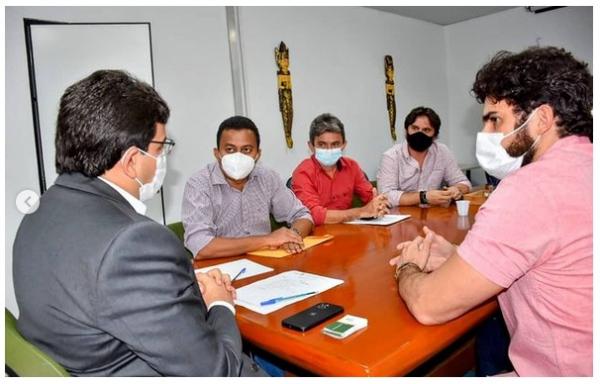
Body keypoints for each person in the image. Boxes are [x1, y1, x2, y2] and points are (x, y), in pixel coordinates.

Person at [12, 70, 265, 376]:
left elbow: (106, 292)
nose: (163, 159)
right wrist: (220, 304)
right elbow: (216, 371)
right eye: (160, 148)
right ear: (132, 160)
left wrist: (178, 286)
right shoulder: (133, 242)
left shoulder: (40, 213)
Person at [390, 46, 592, 376]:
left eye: (495, 120)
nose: (485, 135)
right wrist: (458, 255)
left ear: (541, 119)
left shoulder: (530, 188)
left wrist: (407, 268)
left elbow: (428, 305)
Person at [183, 116, 313, 259]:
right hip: (220, 270)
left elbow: (302, 215)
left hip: (266, 262)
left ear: (257, 154)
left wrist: (292, 236)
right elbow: (200, 246)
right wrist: (268, 240)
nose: (238, 157)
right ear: (217, 153)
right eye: (230, 149)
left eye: (246, 150)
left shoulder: (267, 177)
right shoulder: (199, 184)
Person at [291, 113, 389, 225]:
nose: (329, 149)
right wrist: (361, 212)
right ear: (311, 146)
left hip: (348, 231)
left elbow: (371, 196)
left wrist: (379, 204)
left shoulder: (352, 166)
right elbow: (314, 215)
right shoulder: (303, 172)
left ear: (344, 145)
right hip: (317, 235)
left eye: (335, 144)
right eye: (322, 145)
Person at [377, 106, 471, 207]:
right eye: (415, 128)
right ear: (406, 131)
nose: (419, 133)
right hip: (401, 217)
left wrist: (457, 189)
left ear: (435, 135)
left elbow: (464, 182)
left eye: (426, 130)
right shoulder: (391, 156)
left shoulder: (442, 152)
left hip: (433, 216)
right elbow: (386, 196)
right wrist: (423, 197)